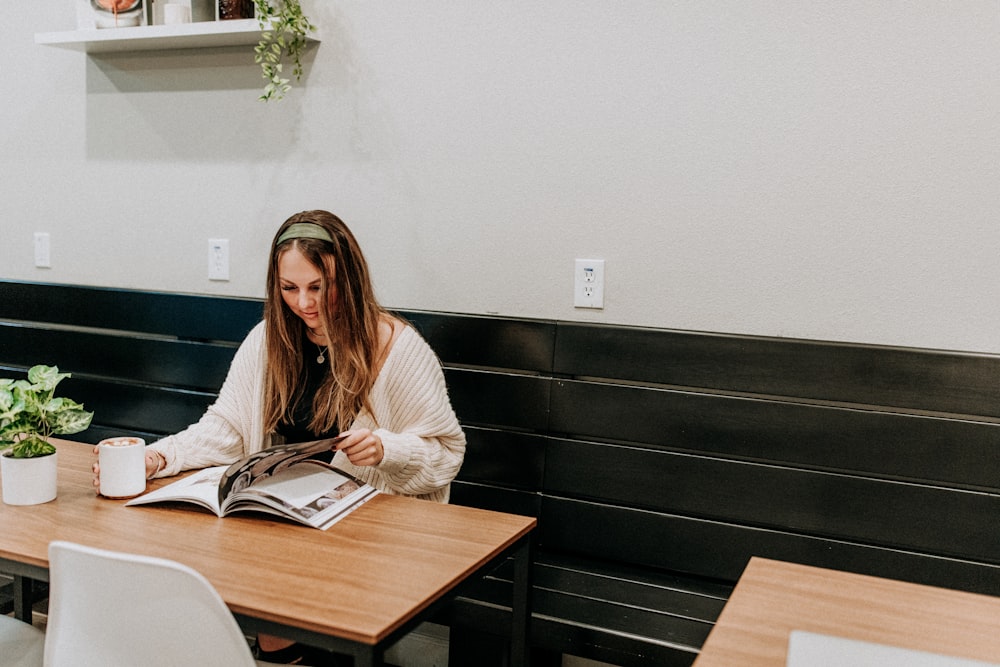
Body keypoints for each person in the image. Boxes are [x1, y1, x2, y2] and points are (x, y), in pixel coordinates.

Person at [93, 210, 466, 665]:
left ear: (345, 279)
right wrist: (157, 458)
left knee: (265, 576)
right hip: (284, 510)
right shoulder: (270, 339)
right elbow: (226, 429)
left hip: (367, 523)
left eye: (318, 287)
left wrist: (387, 449)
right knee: (181, 554)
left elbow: (446, 453)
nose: (304, 303)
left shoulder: (395, 346)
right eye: (290, 289)